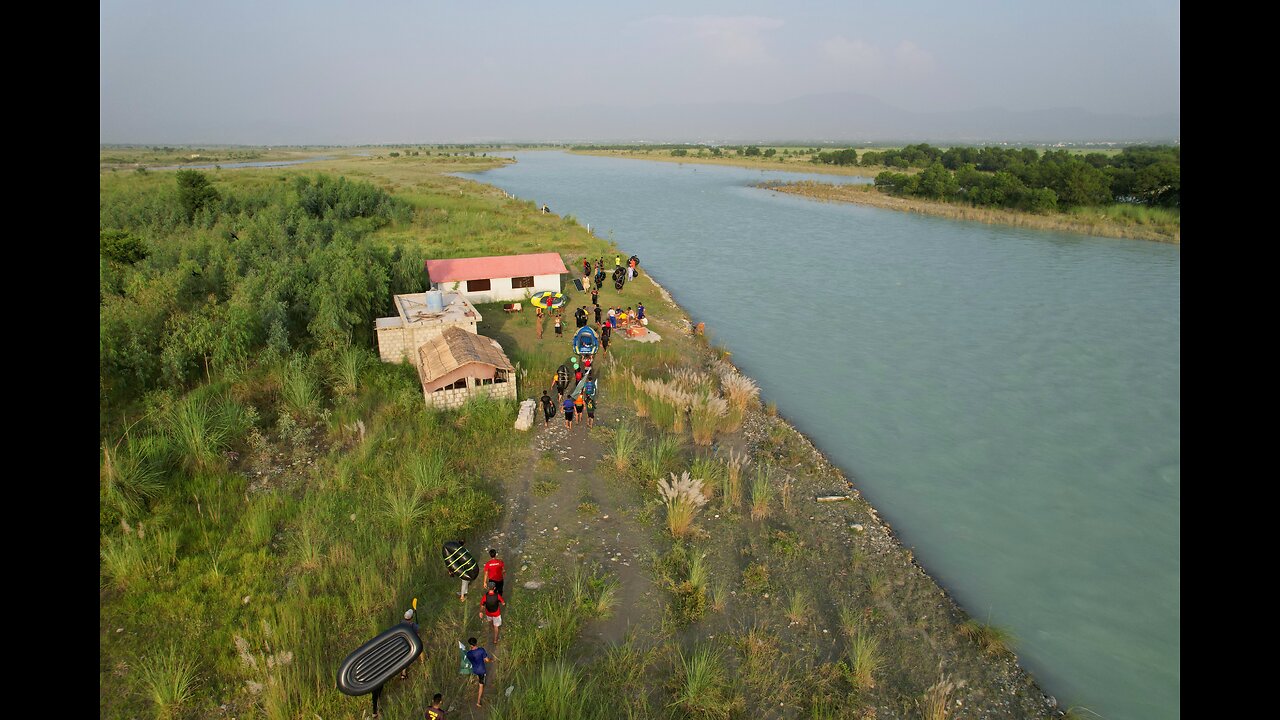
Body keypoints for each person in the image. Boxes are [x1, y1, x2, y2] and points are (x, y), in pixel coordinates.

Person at [466, 637, 492, 707]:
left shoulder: (468, 653)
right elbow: (486, 660)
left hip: (474, 670)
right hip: (481, 671)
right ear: (476, 643)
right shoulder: (481, 650)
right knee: (481, 685)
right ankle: (478, 701)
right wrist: (491, 660)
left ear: (470, 645)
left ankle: (477, 678)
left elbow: (470, 661)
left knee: (478, 675)